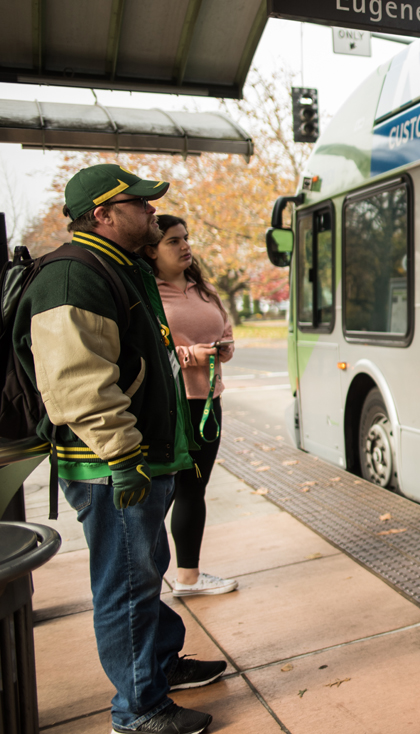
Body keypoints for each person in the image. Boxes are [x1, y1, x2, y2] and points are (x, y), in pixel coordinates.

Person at [13, 164, 224, 734]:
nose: (153, 212)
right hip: (110, 465)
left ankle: (156, 670)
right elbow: (79, 384)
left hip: (134, 459)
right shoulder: (72, 276)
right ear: (104, 215)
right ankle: (139, 712)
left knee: (143, 573)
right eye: (141, 205)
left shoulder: (117, 267)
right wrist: (123, 457)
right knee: (126, 587)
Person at [144, 215, 238, 597]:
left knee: (193, 491)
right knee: (162, 494)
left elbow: (225, 332)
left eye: (185, 238)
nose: (185, 246)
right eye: (172, 241)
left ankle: (189, 577)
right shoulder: (147, 292)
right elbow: (148, 349)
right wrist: (190, 357)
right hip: (171, 406)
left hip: (208, 405)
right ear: (150, 250)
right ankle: (143, 580)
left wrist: (223, 349)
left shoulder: (203, 288)